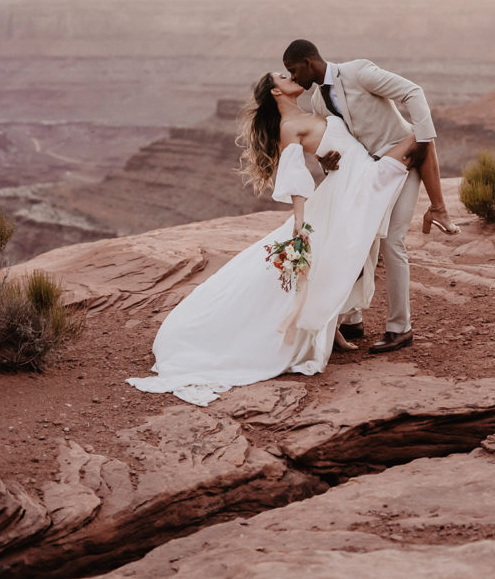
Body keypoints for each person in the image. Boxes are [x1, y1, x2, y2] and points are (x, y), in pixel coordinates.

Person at [126, 71, 425, 406]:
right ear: (276, 92)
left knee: (343, 262)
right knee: (418, 139)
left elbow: (338, 147)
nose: (291, 75)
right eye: (283, 75)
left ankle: (330, 327)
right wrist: (300, 221)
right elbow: (295, 175)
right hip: (346, 194)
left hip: (352, 185)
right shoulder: (289, 127)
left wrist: (327, 160)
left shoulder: (315, 110)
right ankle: (320, 329)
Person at [282, 39, 459, 354]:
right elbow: (337, 141)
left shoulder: (358, 71)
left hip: (404, 163)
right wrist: (324, 162)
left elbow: (413, 92)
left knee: (393, 242)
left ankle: (399, 328)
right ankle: (353, 320)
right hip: (369, 174)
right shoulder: (319, 104)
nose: (294, 79)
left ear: (309, 63)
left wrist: (423, 139)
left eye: (294, 71)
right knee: (357, 240)